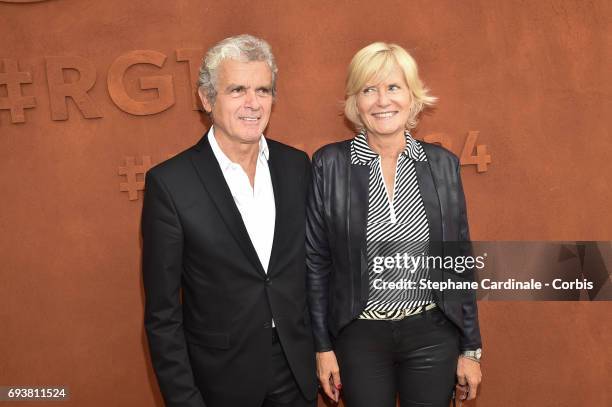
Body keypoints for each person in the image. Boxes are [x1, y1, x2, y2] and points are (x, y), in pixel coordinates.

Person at [142, 34, 316, 407]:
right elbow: (162, 314)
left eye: (263, 90)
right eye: (237, 90)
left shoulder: (296, 166)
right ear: (206, 99)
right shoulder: (170, 184)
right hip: (219, 381)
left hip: (296, 371)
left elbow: (313, 268)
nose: (253, 103)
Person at [306, 42, 483, 407]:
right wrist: (322, 346)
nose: (381, 100)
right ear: (355, 102)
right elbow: (316, 264)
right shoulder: (329, 165)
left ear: (412, 97)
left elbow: (459, 261)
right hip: (358, 337)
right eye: (369, 89)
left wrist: (470, 348)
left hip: (433, 334)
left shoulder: (442, 165)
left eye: (393, 87)